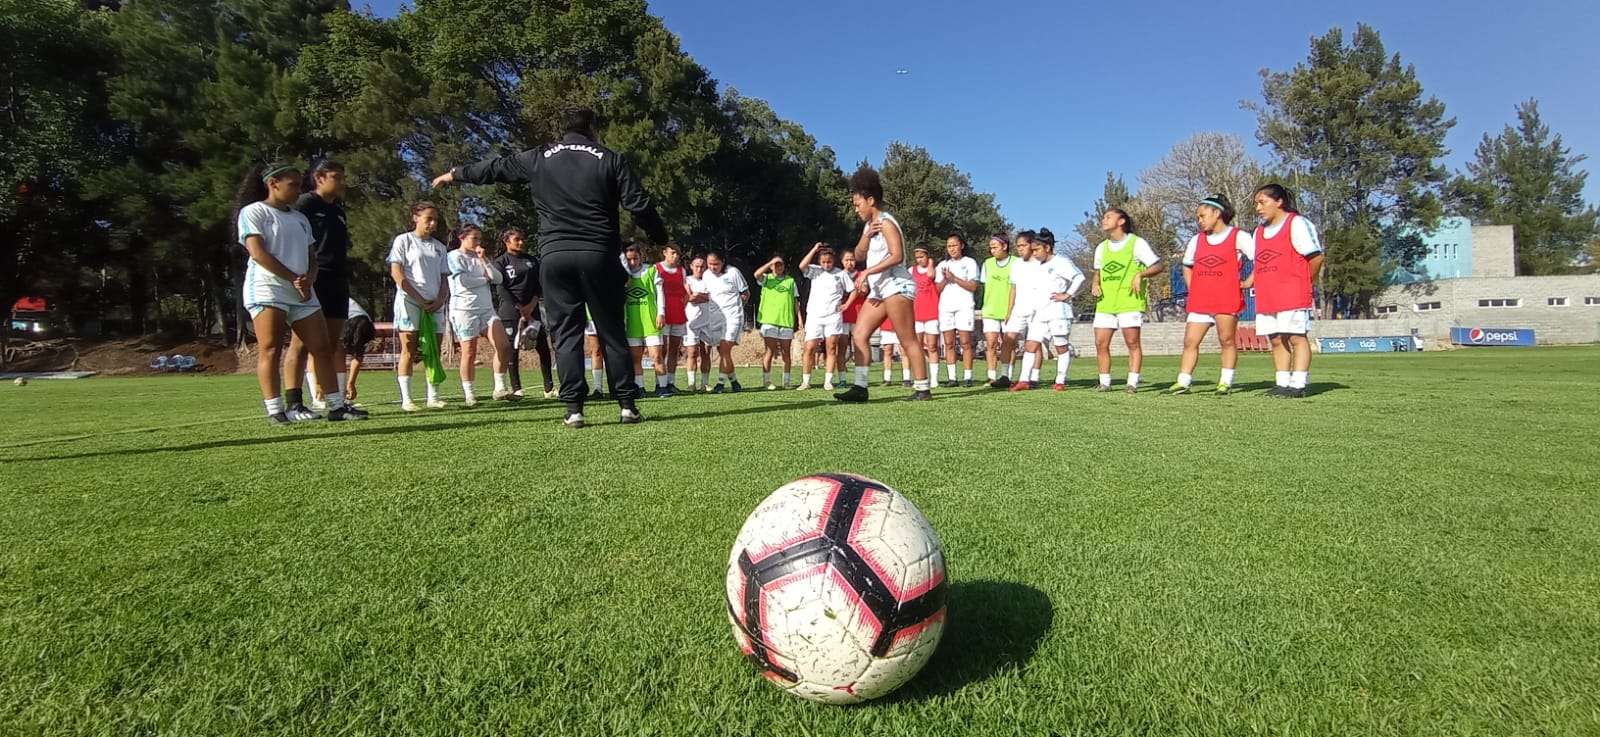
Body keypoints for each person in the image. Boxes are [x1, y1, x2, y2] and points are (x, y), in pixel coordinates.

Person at [431, 106, 669, 428]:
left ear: (561, 130)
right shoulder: (610, 158)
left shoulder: (541, 156)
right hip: (599, 255)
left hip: (555, 258)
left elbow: (496, 168)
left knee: (567, 333)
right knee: (611, 330)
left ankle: (574, 409)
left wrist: (456, 173)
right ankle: (626, 405)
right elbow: (638, 203)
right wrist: (659, 235)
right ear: (592, 129)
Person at [232, 162, 365, 424]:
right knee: (270, 348)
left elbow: (311, 255)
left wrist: (309, 277)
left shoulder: (299, 218)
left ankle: (337, 407)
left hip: (303, 292)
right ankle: (276, 409)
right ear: (273, 184)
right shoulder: (254, 212)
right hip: (268, 289)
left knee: (322, 348)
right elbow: (257, 252)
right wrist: (292, 278)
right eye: (292, 185)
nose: (297, 191)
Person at [835, 166, 931, 402]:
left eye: (857, 204)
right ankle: (860, 387)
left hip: (897, 285)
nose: (855, 209)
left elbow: (897, 256)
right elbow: (858, 254)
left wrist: (867, 272)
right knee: (859, 334)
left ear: (870, 200)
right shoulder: (869, 226)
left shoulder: (887, 222)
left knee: (906, 337)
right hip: (880, 290)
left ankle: (922, 388)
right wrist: (866, 237)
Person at [284, 160, 355, 419]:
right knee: (301, 343)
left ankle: (335, 405)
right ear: (319, 178)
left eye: (342, 176)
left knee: (331, 344)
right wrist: (301, 275)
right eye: (336, 176)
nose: (341, 181)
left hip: (338, 279)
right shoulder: (304, 205)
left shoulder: (338, 209)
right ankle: (293, 402)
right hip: (312, 278)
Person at [1167, 194, 1255, 395]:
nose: (1199, 220)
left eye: (1202, 215)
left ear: (1217, 213)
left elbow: (1259, 259)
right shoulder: (1196, 240)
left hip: (1227, 298)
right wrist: (1193, 287)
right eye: (1198, 217)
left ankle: (1225, 382)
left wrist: (1249, 281)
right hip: (1200, 300)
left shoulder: (1239, 236)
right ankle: (1183, 381)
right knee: (1190, 341)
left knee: (1226, 340)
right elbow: (1187, 266)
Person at [1251, 183, 1324, 398]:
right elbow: (1259, 264)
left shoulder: (1297, 224)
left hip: (1292, 294)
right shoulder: (1258, 232)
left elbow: (1316, 257)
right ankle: (1282, 383)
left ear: (1279, 202)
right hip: (1267, 296)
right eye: (1256, 203)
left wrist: (1303, 282)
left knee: (1295, 338)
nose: (1258, 208)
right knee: (1275, 339)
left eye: (1262, 202)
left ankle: (1298, 384)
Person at [1091, 208, 1165, 393]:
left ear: (1121, 221)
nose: (1104, 220)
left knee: (1132, 343)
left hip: (1129, 302)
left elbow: (1158, 266)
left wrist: (1140, 274)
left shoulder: (1136, 243)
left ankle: (1132, 382)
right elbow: (1097, 272)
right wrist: (1095, 284)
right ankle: (1104, 382)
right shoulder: (1101, 247)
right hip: (1105, 303)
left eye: (1108, 216)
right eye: (1103, 217)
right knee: (1101, 343)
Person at [388, 201, 451, 411]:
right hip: (410, 303)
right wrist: (417, 298)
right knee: (409, 348)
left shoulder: (440, 248)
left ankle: (433, 396)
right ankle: (407, 399)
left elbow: (444, 280)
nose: (432, 224)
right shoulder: (403, 241)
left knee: (433, 349)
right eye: (428, 219)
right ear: (415, 217)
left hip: (435, 305)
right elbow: (397, 272)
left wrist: (440, 300)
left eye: (435, 220)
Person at [1009, 228, 1085, 391]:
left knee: (1060, 346)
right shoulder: (1037, 266)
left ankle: (1060, 381)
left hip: (1058, 312)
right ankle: (1024, 380)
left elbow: (1079, 277)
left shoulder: (1061, 262)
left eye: (1037, 249)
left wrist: (1067, 294)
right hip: (1039, 313)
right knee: (1030, 344)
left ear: (1047, 248)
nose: (1034, 253)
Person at [447, 225, 513, 406]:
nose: (478, 242)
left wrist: (484, 260)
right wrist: (485, 279)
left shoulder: (480, 257)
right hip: (463, 310)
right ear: (462, 237)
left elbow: (498, 279)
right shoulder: (453, 257)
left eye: (479, 239)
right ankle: (469, 394)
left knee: (504, 346)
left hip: (486, 309)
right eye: (474, 238)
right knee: (469, 352)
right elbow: (463, 281)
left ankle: (499, 388)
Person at [492, 228, 556, 400]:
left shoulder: (532, 261)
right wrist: (520, 308)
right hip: (510, 312)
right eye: (516, 239)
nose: (521, 242)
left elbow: (539, 285)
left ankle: (549, 388)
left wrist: (532, 305)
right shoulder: (500, 262)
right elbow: (501, 289)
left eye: (522, 239)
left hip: (533, 310)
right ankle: (516, 389)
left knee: (542, 346)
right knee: (512, 350)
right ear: (507, 241)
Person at [796, 242, 850, 390]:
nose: (827, 265)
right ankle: (806, 381)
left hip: (833, 316)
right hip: (814, 316)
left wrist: (847, 304)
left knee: (831, 347)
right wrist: (814, 249)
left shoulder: (841, 274)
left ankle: (828, 381)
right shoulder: (815, 271)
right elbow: (802, 266)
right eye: (824, 262)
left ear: (834, 260)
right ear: (819, 262)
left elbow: (853, 290)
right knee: (809, 347)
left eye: (829, 262)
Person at [622, 242, 668, 394]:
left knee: (657, 357)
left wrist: (661, 313)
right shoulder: (623, 275)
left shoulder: (651, 270)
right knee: (635, 358)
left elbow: (660, 293)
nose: (632, 262)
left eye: (635, 258)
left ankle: (662, 387)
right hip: (632, 323)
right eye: (629, 259)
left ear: (641, 256)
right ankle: (640, 388)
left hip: (651, 321)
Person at [935, 233, 979, 387]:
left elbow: (973, 286)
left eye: (954, 245)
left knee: (966, 342)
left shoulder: (970, 262)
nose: (951, 249)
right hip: (946, 307)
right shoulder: (941, 265)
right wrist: (945, 280)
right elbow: (936, 290)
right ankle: (952, 378)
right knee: (948, 343)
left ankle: (968, 376)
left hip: (964, 306)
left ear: (961, 245)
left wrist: (955, 279)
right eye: (949, 246)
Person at [702, 251, 749, 393]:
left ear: (723, 262)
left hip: (733, 317)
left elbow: (745, 293)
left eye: (716, 264)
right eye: (710, 264)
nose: (712, 267)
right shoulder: (706, 275)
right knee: (722, 351)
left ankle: (720, 384)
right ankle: (734, 382)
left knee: (724, 348)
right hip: (715, 317)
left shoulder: (733, 272)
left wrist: (740, 306)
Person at [753, 254, 800, 390]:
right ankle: (767, 381)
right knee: (769, 351)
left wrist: (800, 320)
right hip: (769, 321)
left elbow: (796, 302)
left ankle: (786, 382)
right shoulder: (767, 279)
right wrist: (770, 262)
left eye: (781, 264)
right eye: (776, 265)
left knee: (786, 353)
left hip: (786, 322)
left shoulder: (791, 281)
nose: (778, 267)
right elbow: (756, 274)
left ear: (784, 266)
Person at [978, 234, 1017, 388]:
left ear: (1004, 246)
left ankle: (1007, 375)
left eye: (995, 247)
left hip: (1009, 309)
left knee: (1009, 343)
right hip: (990, 309)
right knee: (991, 343)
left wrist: (1012, 308)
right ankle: (991, 376)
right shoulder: (987, 264)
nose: (991, 250)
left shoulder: (1016, 262)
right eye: (991, 247)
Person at [683, 255, 724, 392]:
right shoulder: (686, 280)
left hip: (708, 322)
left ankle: (705, 383)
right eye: (697, 266)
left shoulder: (709, 281)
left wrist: (698, 296)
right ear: (691, 267)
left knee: (706, 352)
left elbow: (709, 297)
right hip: (691, 322)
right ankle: (691, 383)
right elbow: (691, 298)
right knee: (692, 353)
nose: (699, 269)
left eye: (702, 267)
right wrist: (701, 297)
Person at [655, 243, 689, 396]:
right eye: (672, 253)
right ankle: (659, 383)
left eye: (677, 254)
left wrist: (684, 302)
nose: (675, 256)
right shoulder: (656, 269)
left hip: (678, 314)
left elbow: (686, 291)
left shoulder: (682, 271)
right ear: (665, 253)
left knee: (674, 349)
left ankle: (670, 382)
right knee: (660, 349)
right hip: (662, 315)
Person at [911, 246, 942, 388]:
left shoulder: (933, 269)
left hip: (931, 313)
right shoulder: (911, 271)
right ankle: (919, 377)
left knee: (932, 346)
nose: (919, 260)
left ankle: (934, 379)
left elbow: (930, 275)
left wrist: (930, 263)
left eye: (922, 256)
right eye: (917, 257)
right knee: (917, 346)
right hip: (917, 314)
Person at [341, 297, 374, 405]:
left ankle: (336, 396)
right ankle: (319, 396)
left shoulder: (365, 324)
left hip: (356, 321)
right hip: (343, 319)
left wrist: (351, 384)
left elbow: (358, 356)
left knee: (337, 356)